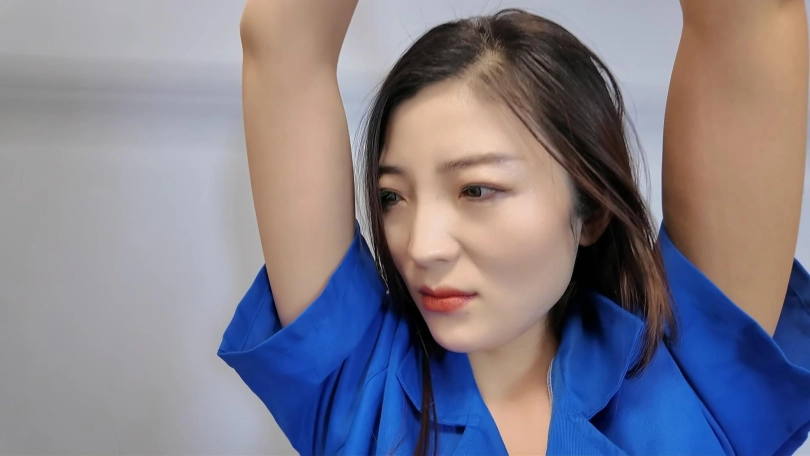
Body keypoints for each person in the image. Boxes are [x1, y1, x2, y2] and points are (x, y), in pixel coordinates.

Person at [218, 0, 810, 454]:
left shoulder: (692, 374)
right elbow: (282, 43)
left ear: (591, 210)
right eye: (392, 196)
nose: (421, 247)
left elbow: (749, 15)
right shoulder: (359, 387)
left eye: (476, 190)